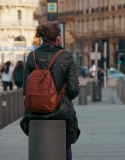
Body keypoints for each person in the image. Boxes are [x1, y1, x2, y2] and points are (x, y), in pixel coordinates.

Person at [20, 21, 80, 160]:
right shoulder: (66, 56)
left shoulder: (32, 56)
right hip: (60, 112)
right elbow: (73, 90)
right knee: (65, 145)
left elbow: (25, 87)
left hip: (33, 113)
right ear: (58, 38)